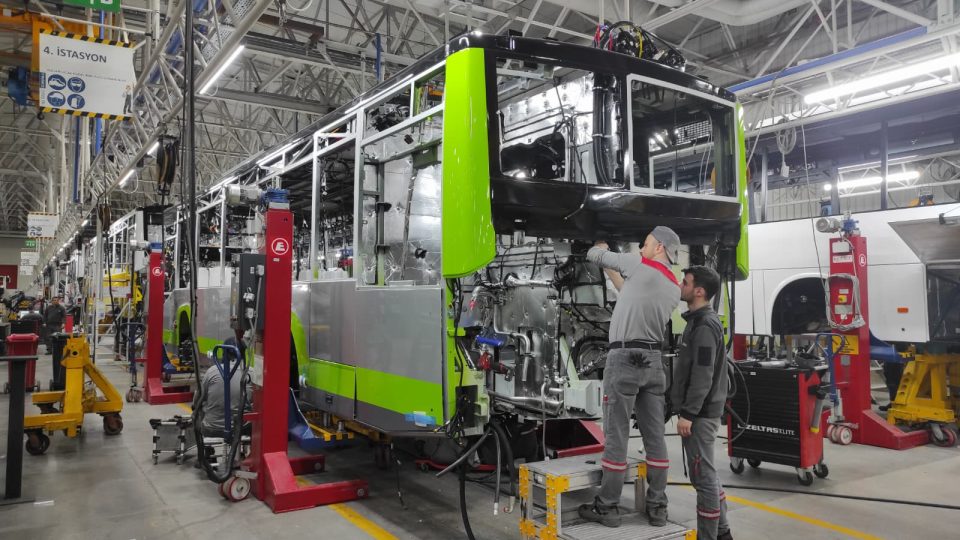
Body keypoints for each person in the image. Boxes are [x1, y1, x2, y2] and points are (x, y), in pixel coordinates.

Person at [578, 226, 681, 528]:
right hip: (653, 363)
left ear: (659, 247)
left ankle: (607, 506)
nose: (641, 248)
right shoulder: (672, 286)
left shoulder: (638, 264)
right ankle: (658, 507)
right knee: (655, 436)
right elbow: (630, 293)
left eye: (645, 244)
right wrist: (613, 273)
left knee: (616, 433)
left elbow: (594, 255)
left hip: (624, 359)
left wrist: (600, 244)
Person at [670, 266, 732, 540]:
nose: (680, 286)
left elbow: (703, 374)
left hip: (701, 415)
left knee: (703, 478)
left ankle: (709, 536)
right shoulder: (697, 321)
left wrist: (688, 413)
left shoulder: (705, 325)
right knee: (706, 474)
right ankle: (723, 533)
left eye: (685, 282)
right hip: (701, 412)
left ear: (699, 291)